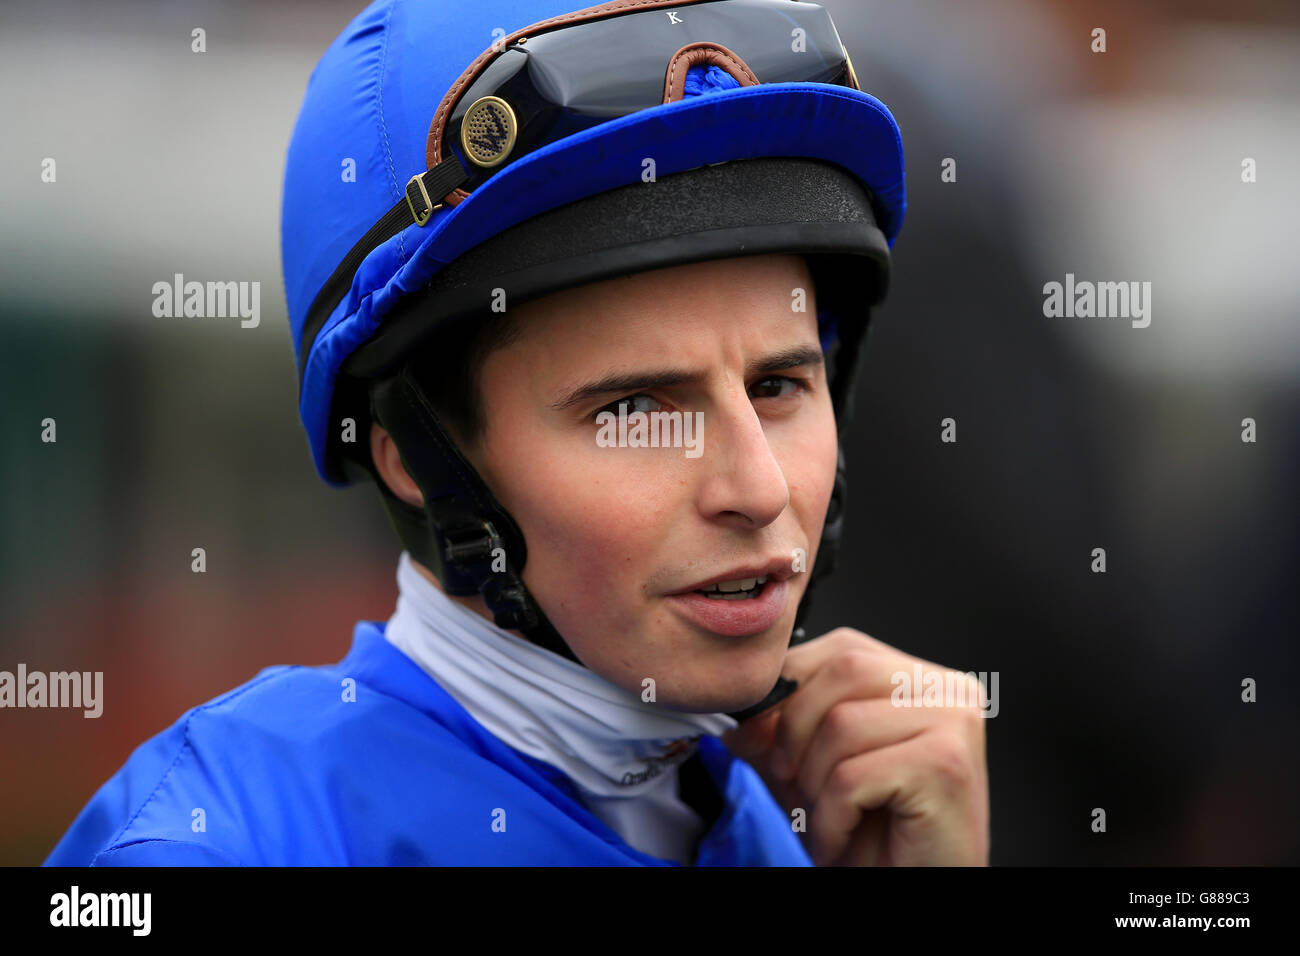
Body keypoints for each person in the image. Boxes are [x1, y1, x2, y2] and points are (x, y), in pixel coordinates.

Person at [44, 0, 988, 866]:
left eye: (779, 384)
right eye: (633, 411)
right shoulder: (211, 848)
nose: (760, 488)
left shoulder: (821, 827)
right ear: (417, 459)